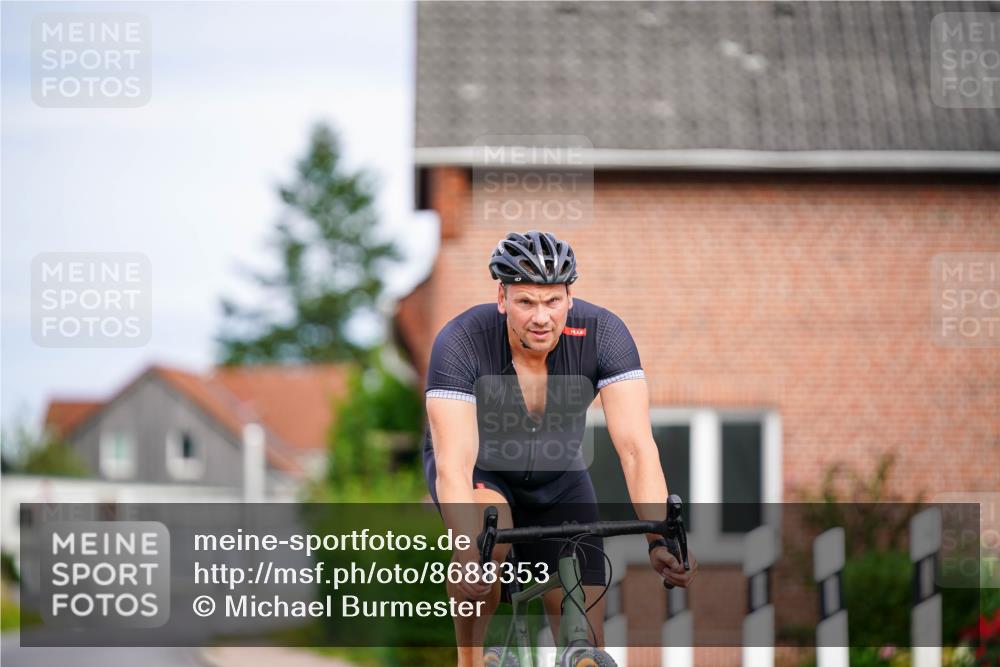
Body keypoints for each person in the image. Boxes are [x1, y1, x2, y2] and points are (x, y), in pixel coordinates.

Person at [423, 230, 697, 667]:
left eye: (553, 301)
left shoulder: (604, 334)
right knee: (486, 540)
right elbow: (454, 466)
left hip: (560, 477)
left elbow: (636, 450)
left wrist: (659, 536)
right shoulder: (461, 341)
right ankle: (471, 660)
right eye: (526, 302)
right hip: (481, 470)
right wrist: (464, 548)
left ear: (569, 297)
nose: (541, 317)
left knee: (583, 637)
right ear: (501, 297)